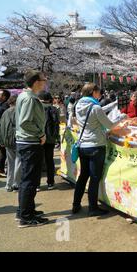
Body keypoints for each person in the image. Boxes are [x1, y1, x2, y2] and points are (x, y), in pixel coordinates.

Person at [72, 83, 125, 217]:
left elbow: (98, 110)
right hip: (96, 146)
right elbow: (110, 125)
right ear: (93, 92)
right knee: (94, 178)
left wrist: (113, 104)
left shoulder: (78, 105)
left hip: (83, 145)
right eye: (98, 91)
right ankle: (93, 208)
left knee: (83, 176)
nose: (100, 94)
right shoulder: (95, 107)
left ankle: (76, 204)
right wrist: (122, 117)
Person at [15, 70, 49, 227]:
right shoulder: (29, 99)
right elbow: (25, 122)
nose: (45, 81)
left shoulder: (25, 96)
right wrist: (41, 134)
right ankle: (26, 216)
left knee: (27, 179)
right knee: (30, 180)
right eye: (43, 79)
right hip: (30, 142)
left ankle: (25, 210)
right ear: (36, 82)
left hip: (26, 142)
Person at [0, 95, 21, 192]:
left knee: (10, 163)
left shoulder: (5, 112)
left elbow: (0, 127)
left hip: (7, 140)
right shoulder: (17, 111)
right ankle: (16, 183)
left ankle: (9, 184)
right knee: (18, 161)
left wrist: (1, 140)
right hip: (16, 139)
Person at [38, 91, 60, 191]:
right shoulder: (54, 109)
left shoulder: (36, 108)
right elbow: (57, 123)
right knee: (49, 160)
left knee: (38, 161)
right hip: (50, 138)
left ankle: (37, 184)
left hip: (38, 138)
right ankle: (50, 182)